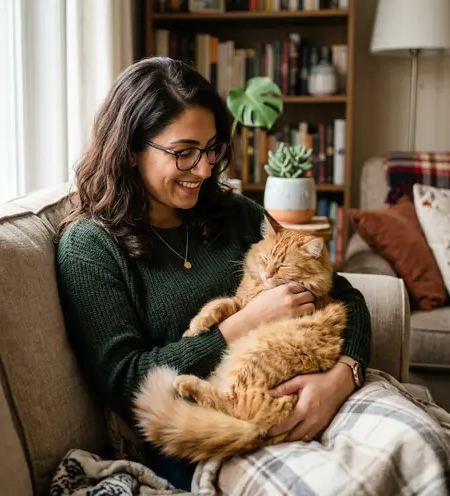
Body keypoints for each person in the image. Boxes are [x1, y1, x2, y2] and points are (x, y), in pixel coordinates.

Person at [55, 56, 372, 492]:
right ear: (130, 149)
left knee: (417, 446)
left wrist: (343, 376)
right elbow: (126, 382)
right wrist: (244, 323)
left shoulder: (230, 213)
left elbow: (347, 297)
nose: (204, 170)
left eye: (212, 149)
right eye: (184, 153)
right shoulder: (91, 248)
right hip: (206, 429)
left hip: (315, 392)